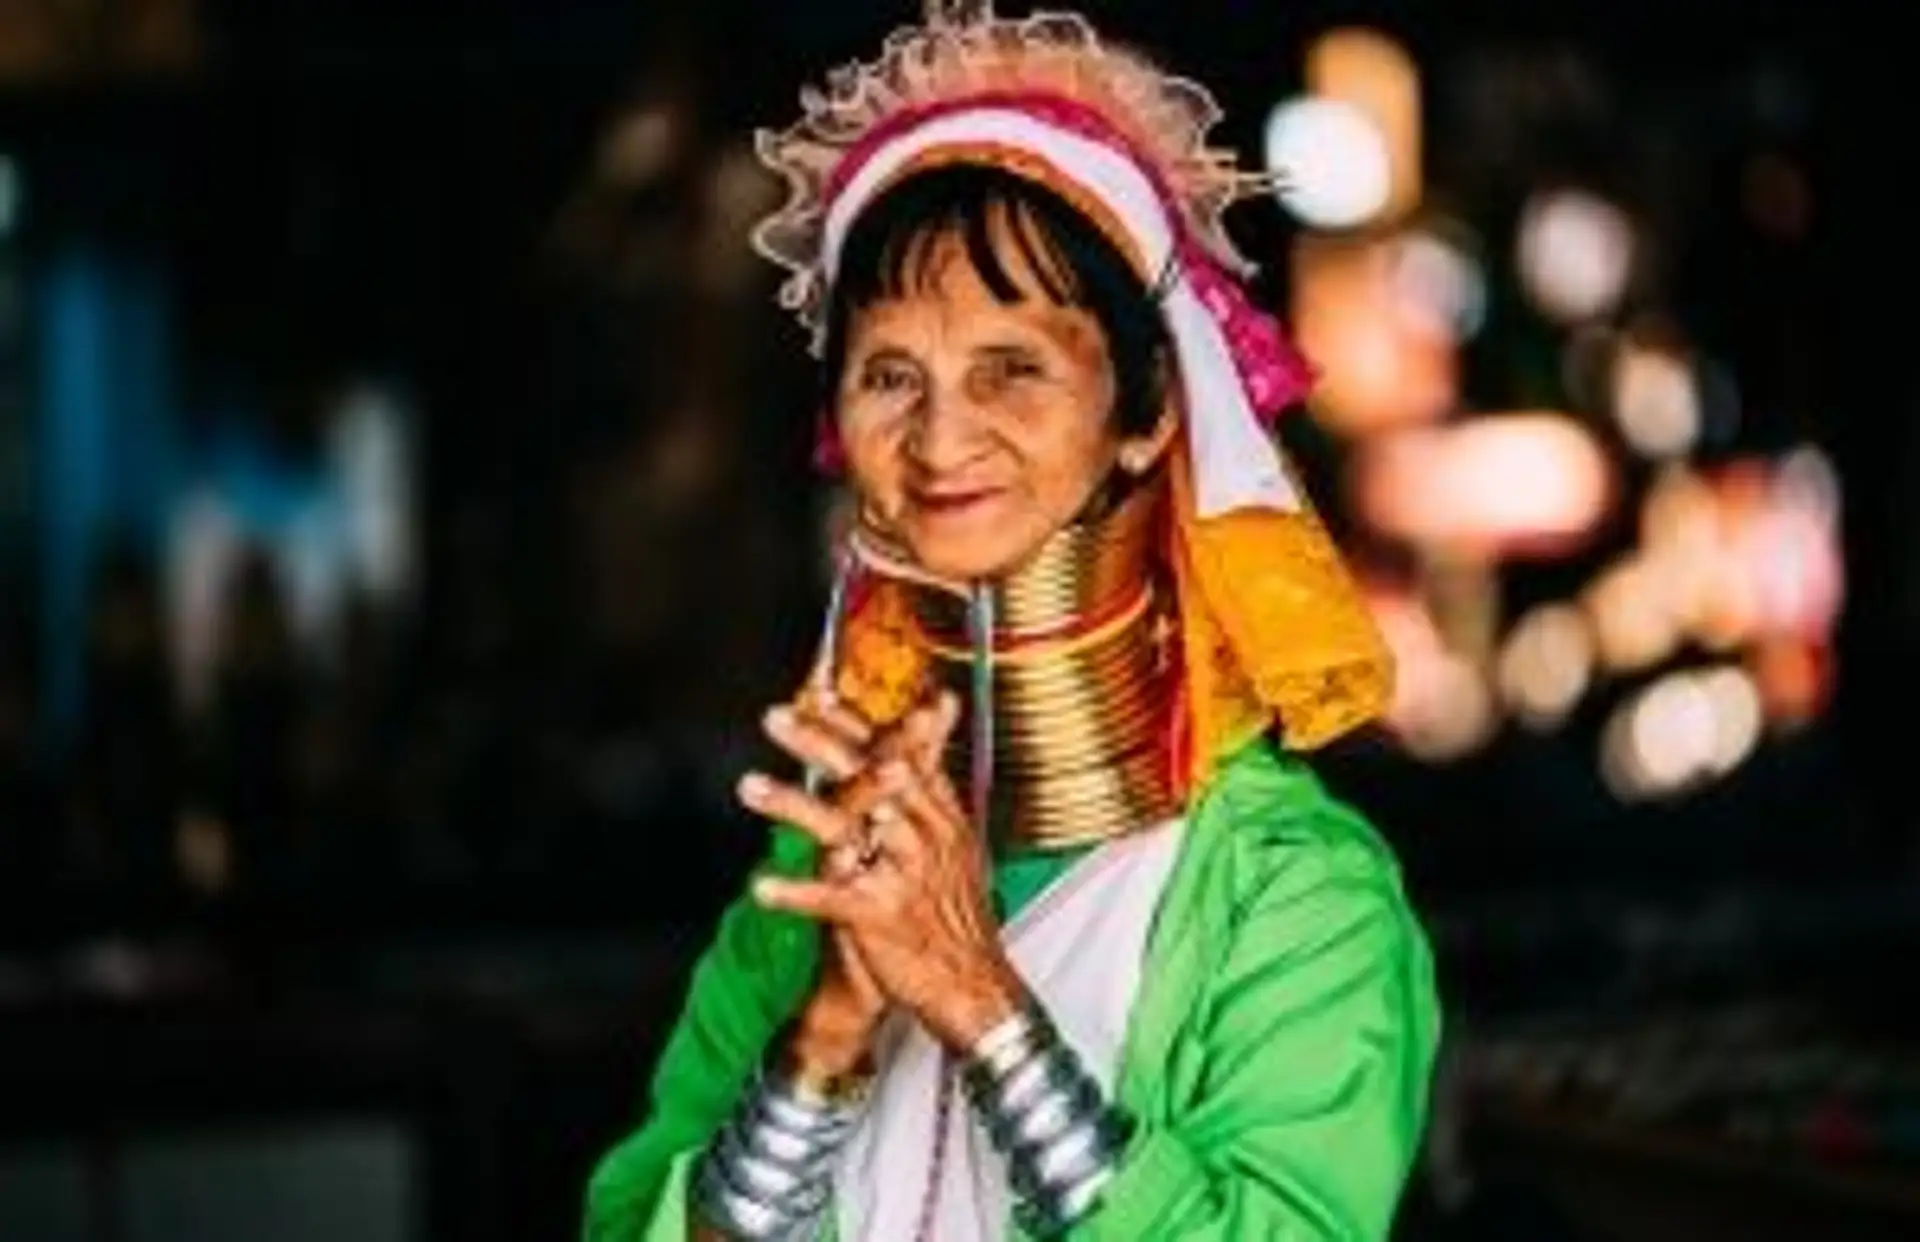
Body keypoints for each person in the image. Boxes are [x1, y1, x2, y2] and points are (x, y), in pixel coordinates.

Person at [585, 3, 1440, 1239]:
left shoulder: (1295, 899)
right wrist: (823, 1042)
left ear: (1149, 415)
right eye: (891, 374)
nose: (938, 440)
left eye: (1013, 368)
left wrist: (983, 1009)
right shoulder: (819, 881)